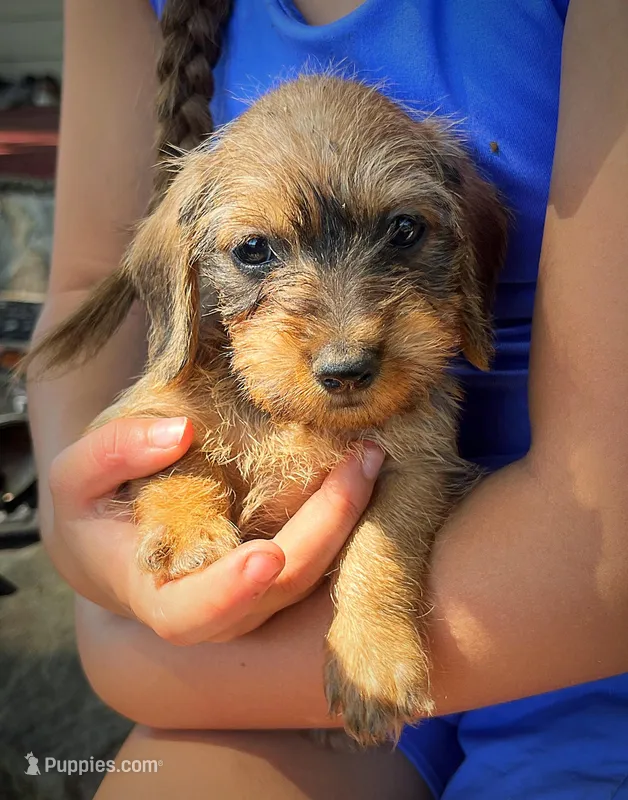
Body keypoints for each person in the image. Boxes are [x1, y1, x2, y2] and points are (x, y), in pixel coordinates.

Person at [26, 0, 628, 797]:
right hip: (273, 688)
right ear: (186, 278)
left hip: (567, 638)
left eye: (404, 234)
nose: (346, 346)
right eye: (254, 252)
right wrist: (93, 550)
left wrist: (134, 663)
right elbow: (85, 297)